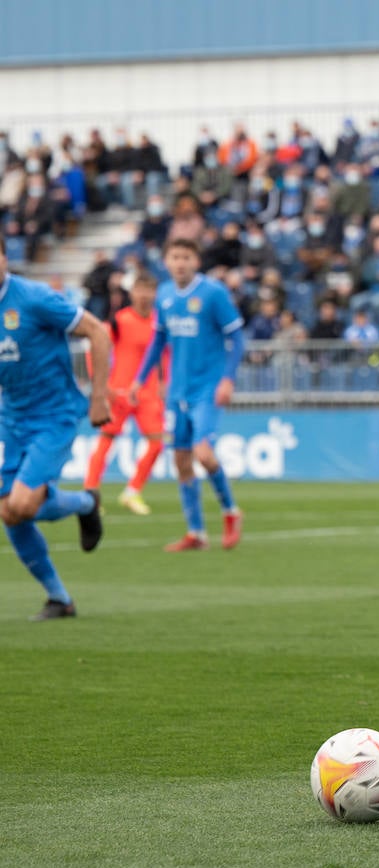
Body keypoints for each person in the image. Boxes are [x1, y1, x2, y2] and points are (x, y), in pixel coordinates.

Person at [0, 246, 111, 620]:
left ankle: (85, 504)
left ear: (4, 258)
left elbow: (97, 331)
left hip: (54, 415)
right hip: (10, 419)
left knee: (23, 504)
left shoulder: (34, 298)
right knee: (8, 512)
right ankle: (60, 599)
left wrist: (99, 397)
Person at [132, 238, 246, 552]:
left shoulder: (213, 293)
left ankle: (230, 511)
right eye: (175, 257)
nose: (180, 262)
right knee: (181, 460)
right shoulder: (165, 295)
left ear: (196, 261)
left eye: (186, 256)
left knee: (203, 453)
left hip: (207, 387)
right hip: (176, 390)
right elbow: (158, 342)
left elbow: (236, 338)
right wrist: (140, 380)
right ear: (166, 261)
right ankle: (196, 532)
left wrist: (228, 379)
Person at [84, 270, 165, 515]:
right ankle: (91, 494)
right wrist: (101, 384)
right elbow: (93, 348)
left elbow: (166, 353)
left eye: (149, 290)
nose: (144, 295)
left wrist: (165, 381)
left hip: (147, 392)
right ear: (132, 292)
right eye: (140, 289)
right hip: (118, 391)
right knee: (106, 442)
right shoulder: (120, 320)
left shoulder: (159, 322)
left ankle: (132, 492)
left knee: (157, 443)